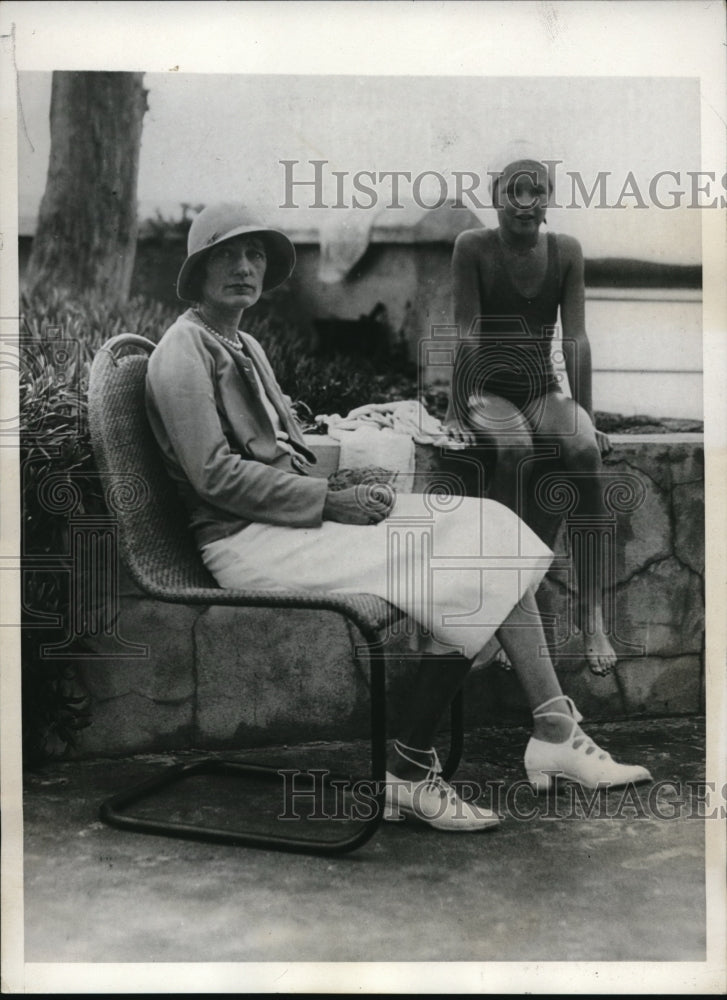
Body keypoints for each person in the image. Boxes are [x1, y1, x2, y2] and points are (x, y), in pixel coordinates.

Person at [145, 202, 651, 834]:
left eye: (254, 255)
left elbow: (284, 449)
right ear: (197, 272)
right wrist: (330, 502)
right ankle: (409, 773)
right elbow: (213, 476)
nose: (245, 268)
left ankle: (554, 728)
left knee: (489, 526)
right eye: (227, 255)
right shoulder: (182, 353)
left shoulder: (241, 343)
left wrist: (344, 481)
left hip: (289, 521)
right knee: (470, 559)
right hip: (246, 543)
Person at [445, 144, 617, 676]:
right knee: (515, 447)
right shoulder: (471, 246)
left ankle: (592, 616)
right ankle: (498, 609)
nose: (524, 201)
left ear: (548, 199)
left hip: (541, 389)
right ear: (495, 196)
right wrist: (458, 409)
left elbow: (577, 339)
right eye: (513, 190)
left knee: (584, 448)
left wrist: (585, 415)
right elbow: (468, 333)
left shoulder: (566, 250)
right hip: (487, 390)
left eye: (535, 190)